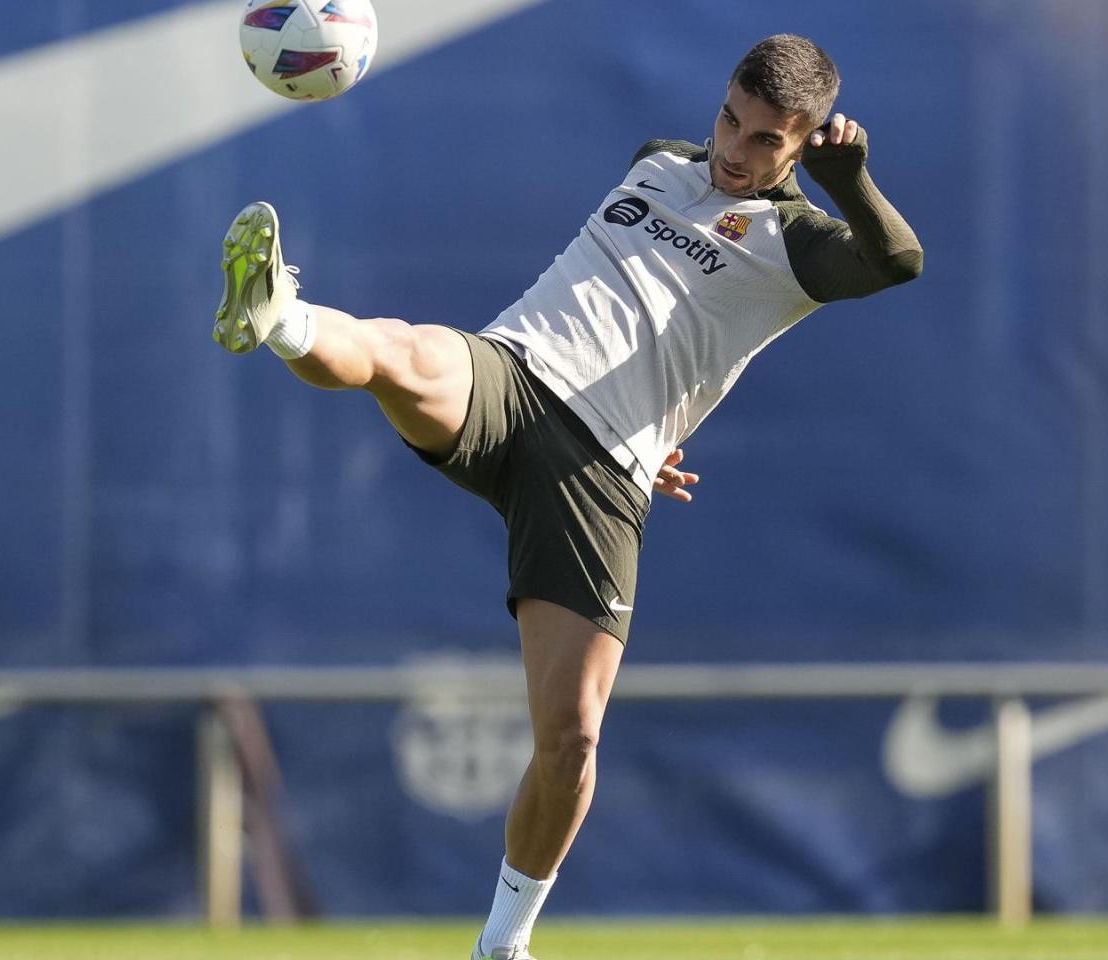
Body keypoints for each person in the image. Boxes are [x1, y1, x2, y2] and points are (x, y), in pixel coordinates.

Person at [211, 33, 921, 960]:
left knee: (573, 740)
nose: (732, 149)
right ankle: (280, 313)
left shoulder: (797, 245)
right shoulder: (657, 162)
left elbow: (897, 259)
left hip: (599, 478)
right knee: (400, 351)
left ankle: (504, 943)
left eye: (763, 142)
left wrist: (852, 180)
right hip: (512, 379)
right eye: (729, 120)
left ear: (805, 146)